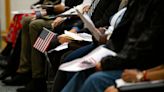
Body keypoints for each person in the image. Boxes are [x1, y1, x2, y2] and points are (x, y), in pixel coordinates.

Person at [60, 0, 164, 92]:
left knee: (95, 79)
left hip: (139, 65)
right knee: (79, 66)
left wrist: (142, 75)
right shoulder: (137, 3)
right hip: (114, 49)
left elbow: (143, 48)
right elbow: (122, 35)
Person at [51, 0, 122, 92]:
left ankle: (39, 80)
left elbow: (102, 23)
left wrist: (77, 31)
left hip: (99, 40)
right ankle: (38, 78)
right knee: (53, 43)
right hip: (90, 34)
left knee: (67, 58)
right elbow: (87, 17)